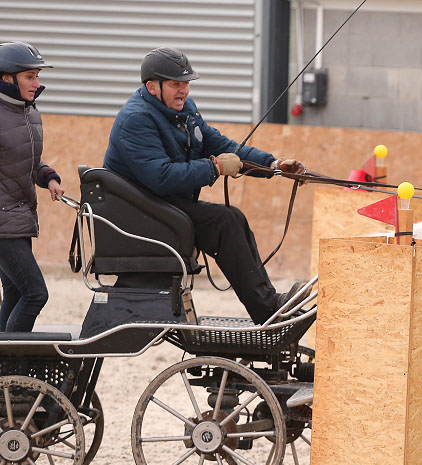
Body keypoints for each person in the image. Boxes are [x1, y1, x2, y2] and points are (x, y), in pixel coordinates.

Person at [103, 47, 305, 324]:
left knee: (232, 217)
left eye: (186, 83)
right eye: (176, 84)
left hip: (165, 207)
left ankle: (268, 303)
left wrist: (273, 165)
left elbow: (220, 145)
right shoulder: (136, 119)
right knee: (225, 221)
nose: (183, 91)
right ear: (152, 86)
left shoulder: (186, 111)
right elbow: (160, 177)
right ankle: (268, 309)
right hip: (142, 214)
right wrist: (215, 168)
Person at [0, 42, 63, 333]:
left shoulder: (30, 113)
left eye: (37, 75)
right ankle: (12, 369)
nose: (37, 83)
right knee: (35, 293)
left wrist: (48, 176)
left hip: (19, 220)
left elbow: (28, 162)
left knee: (15, 293)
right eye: (29, 76)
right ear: (5, 78)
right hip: (3, 223)